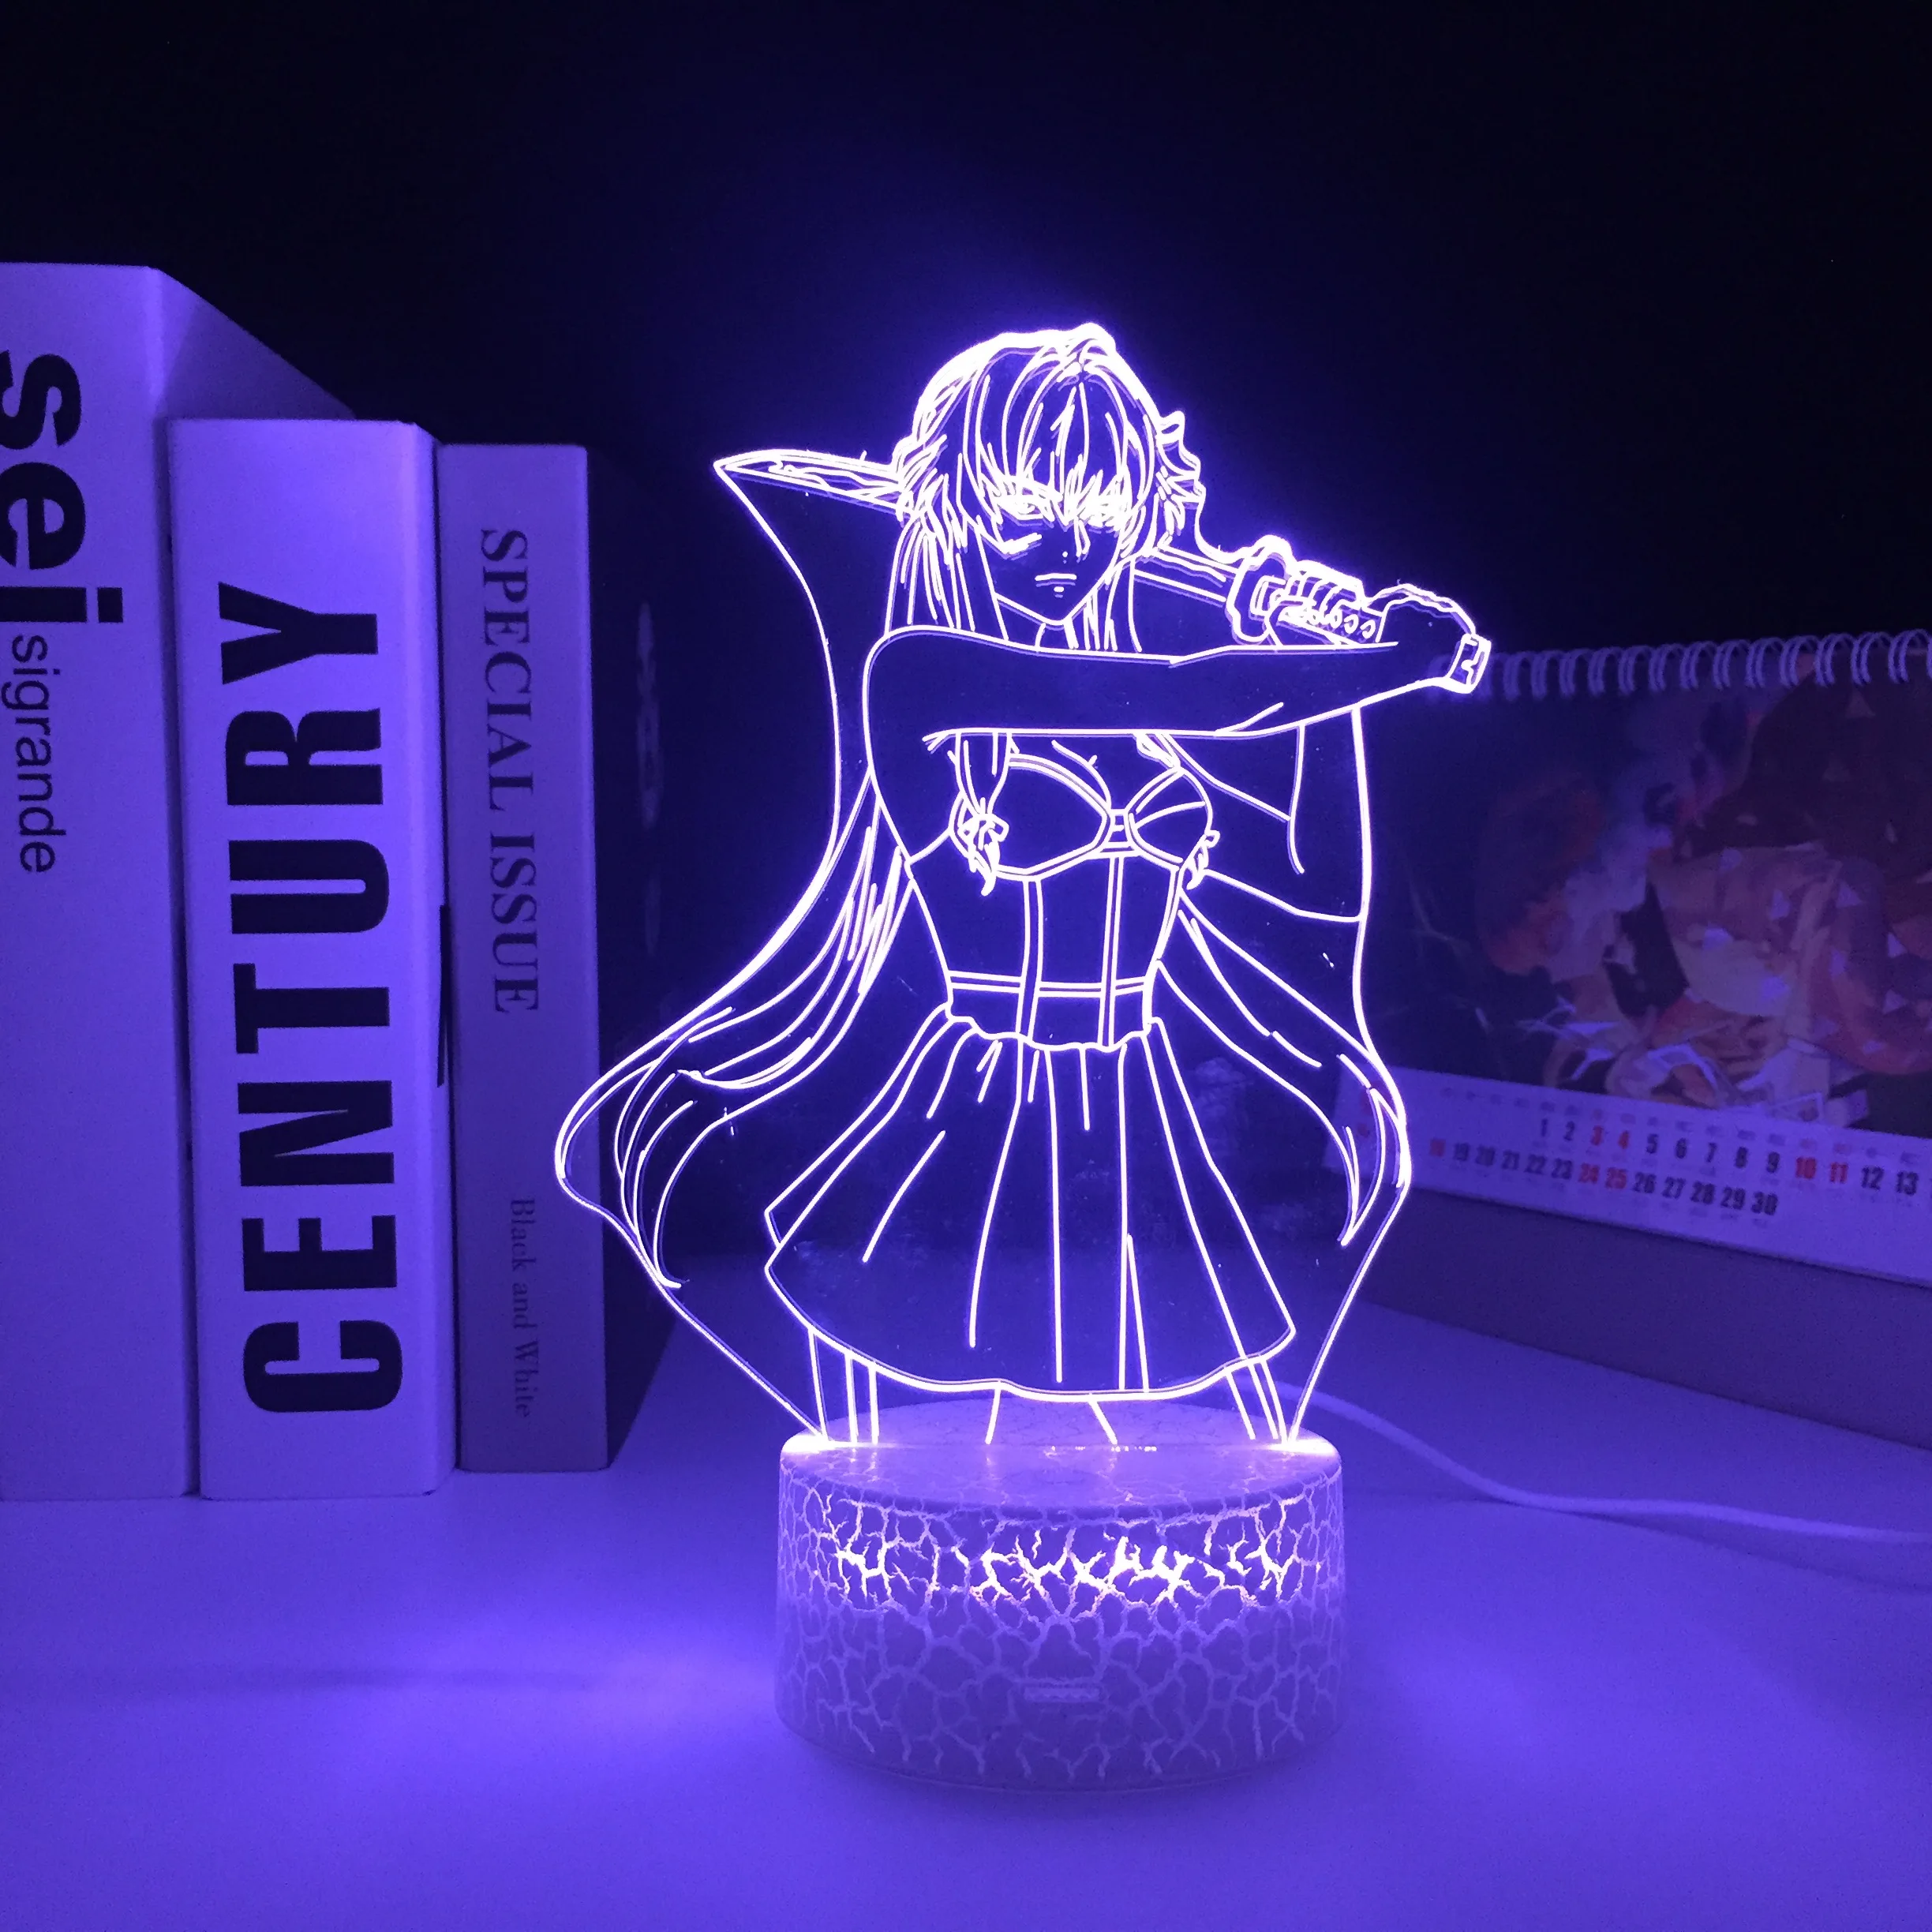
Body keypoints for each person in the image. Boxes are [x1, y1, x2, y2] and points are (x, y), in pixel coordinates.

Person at [560, 324, 1486, 1439]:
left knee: (1208, 1385)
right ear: (951, 510)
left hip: (1145, 1092)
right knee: (909, 1385)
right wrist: (1386, 663)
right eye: (1023, 516)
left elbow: (1310, 873)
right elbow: (1197, 692)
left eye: (1097, 519)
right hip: (984, 1095)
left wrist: (1317, 662)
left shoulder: (1139, 723)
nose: (1066, 551)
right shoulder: (919, 674)